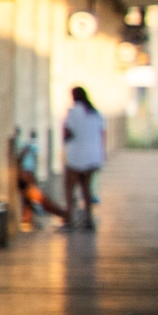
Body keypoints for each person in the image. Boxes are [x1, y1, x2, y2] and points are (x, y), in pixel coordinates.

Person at [61, 87, 106, 231]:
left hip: (76, 156)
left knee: (69, 188)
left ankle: (69, 218)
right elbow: (102, 134)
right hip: (93, 156)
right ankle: (88, 219)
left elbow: (66, 133)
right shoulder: (95, 113)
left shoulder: (72, 112)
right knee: (86, 189)